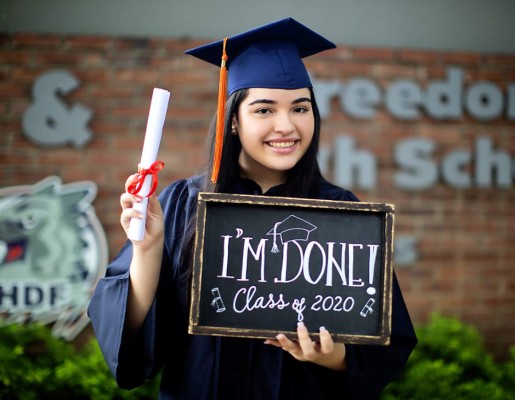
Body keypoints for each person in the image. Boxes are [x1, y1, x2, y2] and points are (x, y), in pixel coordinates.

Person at [88, 17, 417, 400]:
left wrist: (334, 356)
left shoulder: (339, 212)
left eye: (300, 108)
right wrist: (146, 250)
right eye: (264, 110)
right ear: (233, 121)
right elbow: (132, 338)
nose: (287, 126)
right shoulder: (183, 203)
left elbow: (386, 342)